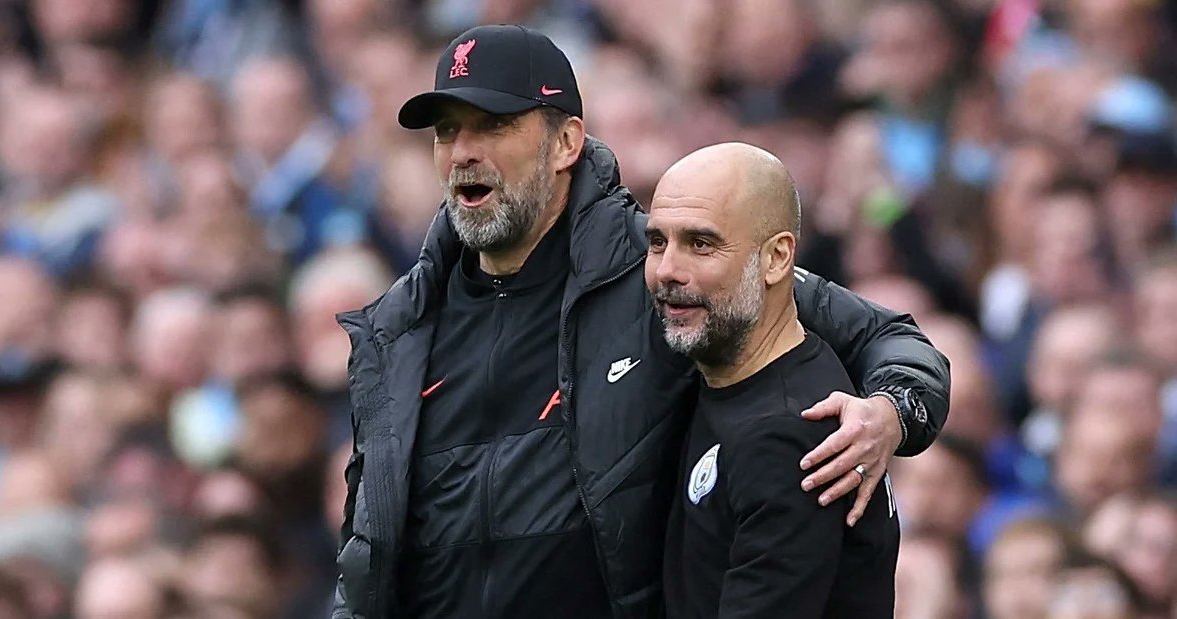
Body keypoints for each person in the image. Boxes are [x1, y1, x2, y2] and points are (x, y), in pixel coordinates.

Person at [334, 24, 949, 618]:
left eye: (494, 126)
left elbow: (884, 335)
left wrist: (892, 413)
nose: (464, 152)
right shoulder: (399, 328)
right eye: (447, 131)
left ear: (567, 143)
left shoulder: (661, 266)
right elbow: (367, 549)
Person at [651, 143, 899, 617]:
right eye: (658, 242)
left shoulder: (788, 435)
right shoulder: (730, 376)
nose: (668, 271)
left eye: (701, 244)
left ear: (777, 258)